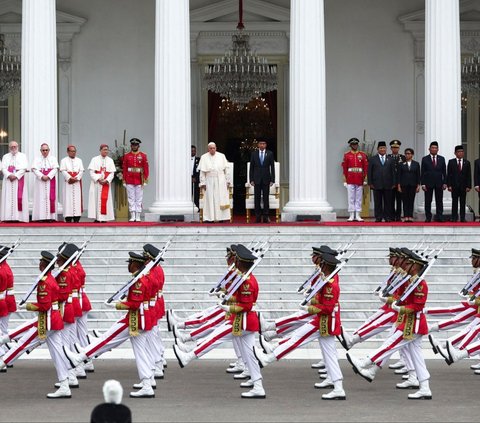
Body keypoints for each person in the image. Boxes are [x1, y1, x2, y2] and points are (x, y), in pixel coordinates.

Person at [64, 252, 156, 399]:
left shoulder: (139, 281)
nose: (128, 265)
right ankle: (147, 383)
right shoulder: (139, 278)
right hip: (140, 318)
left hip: (136, 319)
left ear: (135, 264)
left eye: (130, 263)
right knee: (140, 353)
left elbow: (135, 303)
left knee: (107, 339)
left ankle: (80, 357)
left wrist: (118, 305)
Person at [347, 252, 432, 400]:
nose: (405, 265)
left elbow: (418, 306)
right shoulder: (411, 281)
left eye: (408, 263)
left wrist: (401, 308)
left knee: (389, 344)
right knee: (417, 357)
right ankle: (425, 388)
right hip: (409, 322)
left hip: (414, 324)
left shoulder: (420, 284)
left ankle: (364, 362)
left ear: (415, 266)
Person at [0, 251, 70, 398]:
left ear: (46, 264)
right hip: (53, 319)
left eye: (41, 262)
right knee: (57, 353)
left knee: (22, 344)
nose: (39, 264)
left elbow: (44, 306)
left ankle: (3, 361)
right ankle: (64, 384)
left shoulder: (45, 282)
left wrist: (29, 306)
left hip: (47, 321)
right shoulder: (48, 279)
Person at [197, 142, 231, 222]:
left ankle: (221, 218)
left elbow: (227, 170)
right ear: (208, 149)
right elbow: (202, 172)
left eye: (214, 148)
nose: (212, 150)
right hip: (209, 180)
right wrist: (203, 183)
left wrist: (228, 181)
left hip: (220, 180)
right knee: (210, 199)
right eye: (210, 148)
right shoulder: (204, 157)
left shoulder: (221, 156)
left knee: (219, 198)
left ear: (216, 148)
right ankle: (210, 218)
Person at [1, 140, 29, 222]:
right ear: (9, 148)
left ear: (18, 147)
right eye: (11, 147)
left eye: (15, 146)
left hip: (18, 180)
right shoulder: (5, 156)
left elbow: (24, 167)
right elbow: (3, 168)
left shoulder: (23, 156)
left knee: (19, 197)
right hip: (8, 180)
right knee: (8, 198)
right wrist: (9, 175)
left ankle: (19, 217)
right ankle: (8, 217)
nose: (13, 148)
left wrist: (16, 175)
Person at [122, 138, 149, 222]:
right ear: (131, 146)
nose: (134, 146)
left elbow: (146, 168)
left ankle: (138, 215)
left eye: (136, 145)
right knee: (131, 198)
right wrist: (124, 180)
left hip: (139, 179)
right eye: (133, 145)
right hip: (129, 179)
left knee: (139, 198)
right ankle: (132, 215)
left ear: (138, 146)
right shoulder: (126, 156)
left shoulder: (143, 155)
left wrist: (145, 179)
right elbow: (124, 168)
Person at [368, 141, 396, 222]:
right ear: (377, 149)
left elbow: (393, 172)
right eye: (381, 148)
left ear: (386, 149)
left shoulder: (390, 159)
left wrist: (394, 183)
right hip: (376, 184)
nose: (382, 149)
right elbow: (369, 172)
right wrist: (370, 183)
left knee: (388, 202)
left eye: (384, 148)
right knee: (378, 202)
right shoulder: (373, 159)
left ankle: (387, 217)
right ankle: (378, 217)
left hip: (388, 184)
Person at [341, 137, 368, 222]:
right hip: (350, 178)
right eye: (353, 144)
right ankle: (352, 215)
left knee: (359, 197)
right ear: (350, 145)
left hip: (359, 178)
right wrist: (345, 180)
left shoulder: (362, 155)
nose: (355, 146)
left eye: (356, 144)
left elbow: (365, 167)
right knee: (351, 197)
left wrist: (365, 178)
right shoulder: (347, 155)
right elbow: (344, 168)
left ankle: (358, 215)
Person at [249, 139, 275, 223]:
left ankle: (266, 216)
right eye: (260, 143)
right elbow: (251, 168)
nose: (262, 145)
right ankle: (258, 216)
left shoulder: (270, 153)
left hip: (266, 179)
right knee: (257, 198)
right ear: (258, 145)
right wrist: (251, 179)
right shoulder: (254, 154)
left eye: (263, 143)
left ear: (266, 145)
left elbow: (272, 167)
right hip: (256, 179)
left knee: (265, 198)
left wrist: (272, 179)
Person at [88, 144, 116, 222]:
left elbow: (112, 173)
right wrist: (98, 179)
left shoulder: (110, 160)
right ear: (100, 150)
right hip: (96, 184)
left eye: (107, 150)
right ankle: (97, 218)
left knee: (105, 200)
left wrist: (106, 180)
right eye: (104, 149)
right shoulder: (94, 159)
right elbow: (91, 172)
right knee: (96, 200)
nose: (106, 151)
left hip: (106, 184)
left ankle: (104, 218)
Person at [31, 143, 59, 222]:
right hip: (40, 182)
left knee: (50, 198)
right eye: (43, 150)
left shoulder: (53, 159)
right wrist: (41, 176)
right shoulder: (37, 159)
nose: (45, 151)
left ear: (49, 150)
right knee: (40, 198)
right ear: (40, 151)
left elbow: (55, 169)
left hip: (50, 181)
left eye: (46, 150)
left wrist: (49, 176)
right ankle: (41, 217)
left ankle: (50, 217)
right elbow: (34, 169)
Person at [421, 141, 446, 222]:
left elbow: (444, 172)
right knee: (428, 201)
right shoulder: (425, 159)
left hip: (439, 183)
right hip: (428, 183)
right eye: (432, 148)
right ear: (429, 149)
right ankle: (428, 217)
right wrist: (423, 183)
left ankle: (440, 216)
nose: (434, 149)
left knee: (439, 201)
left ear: (438, 149)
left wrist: (445, 182)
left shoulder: (442, 159)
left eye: (435, 148)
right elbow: (423, 172)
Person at [447, 145, 471, 222]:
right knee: (454, 202)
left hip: (463, 186)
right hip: (454, 186)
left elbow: (468, 175)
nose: (460, 153)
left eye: (461, 152)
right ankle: (454, 217)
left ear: (463, 153)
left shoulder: (467, 163)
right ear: (455, 153)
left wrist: (468, 186)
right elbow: (449, 174)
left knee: (463, 202)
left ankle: (462, 218)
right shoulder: (451, 162)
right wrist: (449, 185)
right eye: (458, 152)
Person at [60, 145, 84, 223]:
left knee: (77, 199)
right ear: (68, 152)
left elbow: (81, 171)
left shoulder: (79, 160)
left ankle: (77, 216)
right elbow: (63, 170)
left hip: (77, 183)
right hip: (68, 183)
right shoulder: (63, 160)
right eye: (71, 151)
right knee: (68, 199)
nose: (73, 153)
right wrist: (69, 178)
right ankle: (68, 217)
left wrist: (76, 178)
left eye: (74, 151)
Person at [397, 148, 421, 222]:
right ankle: (405, 216)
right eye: (406, 153)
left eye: (409, 153)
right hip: (403, 185)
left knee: (411, 200)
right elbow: (399, 175)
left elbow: (418, 175)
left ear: (412, 155)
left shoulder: (416, 164)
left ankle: (410, 216)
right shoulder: (401, 164)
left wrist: (418, 185)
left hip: (413, 185)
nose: (407, 155)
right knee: (404, 201)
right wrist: (399, 185)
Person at [388, 140, 406, 221]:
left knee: (399, 200)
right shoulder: (388, 157)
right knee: (390, 200)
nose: (395, 149)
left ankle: (398, 216)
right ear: (391, 148)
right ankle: (391, 216)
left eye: (397, 148)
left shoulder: (403, 158)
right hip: (390, 182)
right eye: (393, 148)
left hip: (400, 182)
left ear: (399, 148)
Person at [191, 145, 200, 209]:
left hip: (195, 180)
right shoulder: (184, 160)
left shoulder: (199, 159)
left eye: (194, 151)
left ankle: (197, 208)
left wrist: (195, 178)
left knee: (196, 195)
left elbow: (199, 170)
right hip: (187, 180)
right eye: (192, 151)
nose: (193, 152)